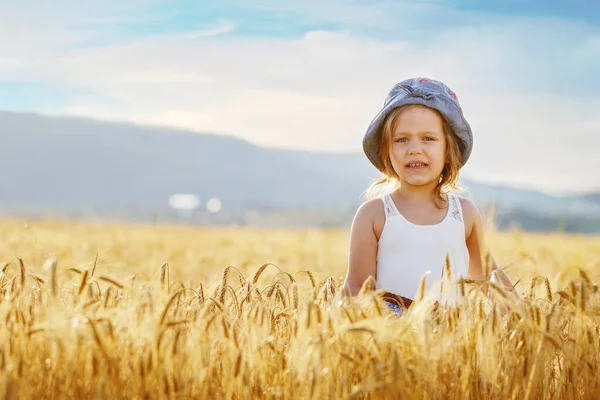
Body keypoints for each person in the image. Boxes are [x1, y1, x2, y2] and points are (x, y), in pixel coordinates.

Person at [341, 77, 519, 313]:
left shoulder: (464, 213)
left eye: (428, 139)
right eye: (401, 139)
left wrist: (528, 319)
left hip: (451, 335)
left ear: (448, 150)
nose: (414, 149)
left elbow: (488, 276)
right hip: (392, 335)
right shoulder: (373, 214)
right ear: (387, 151)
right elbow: (357, 288)